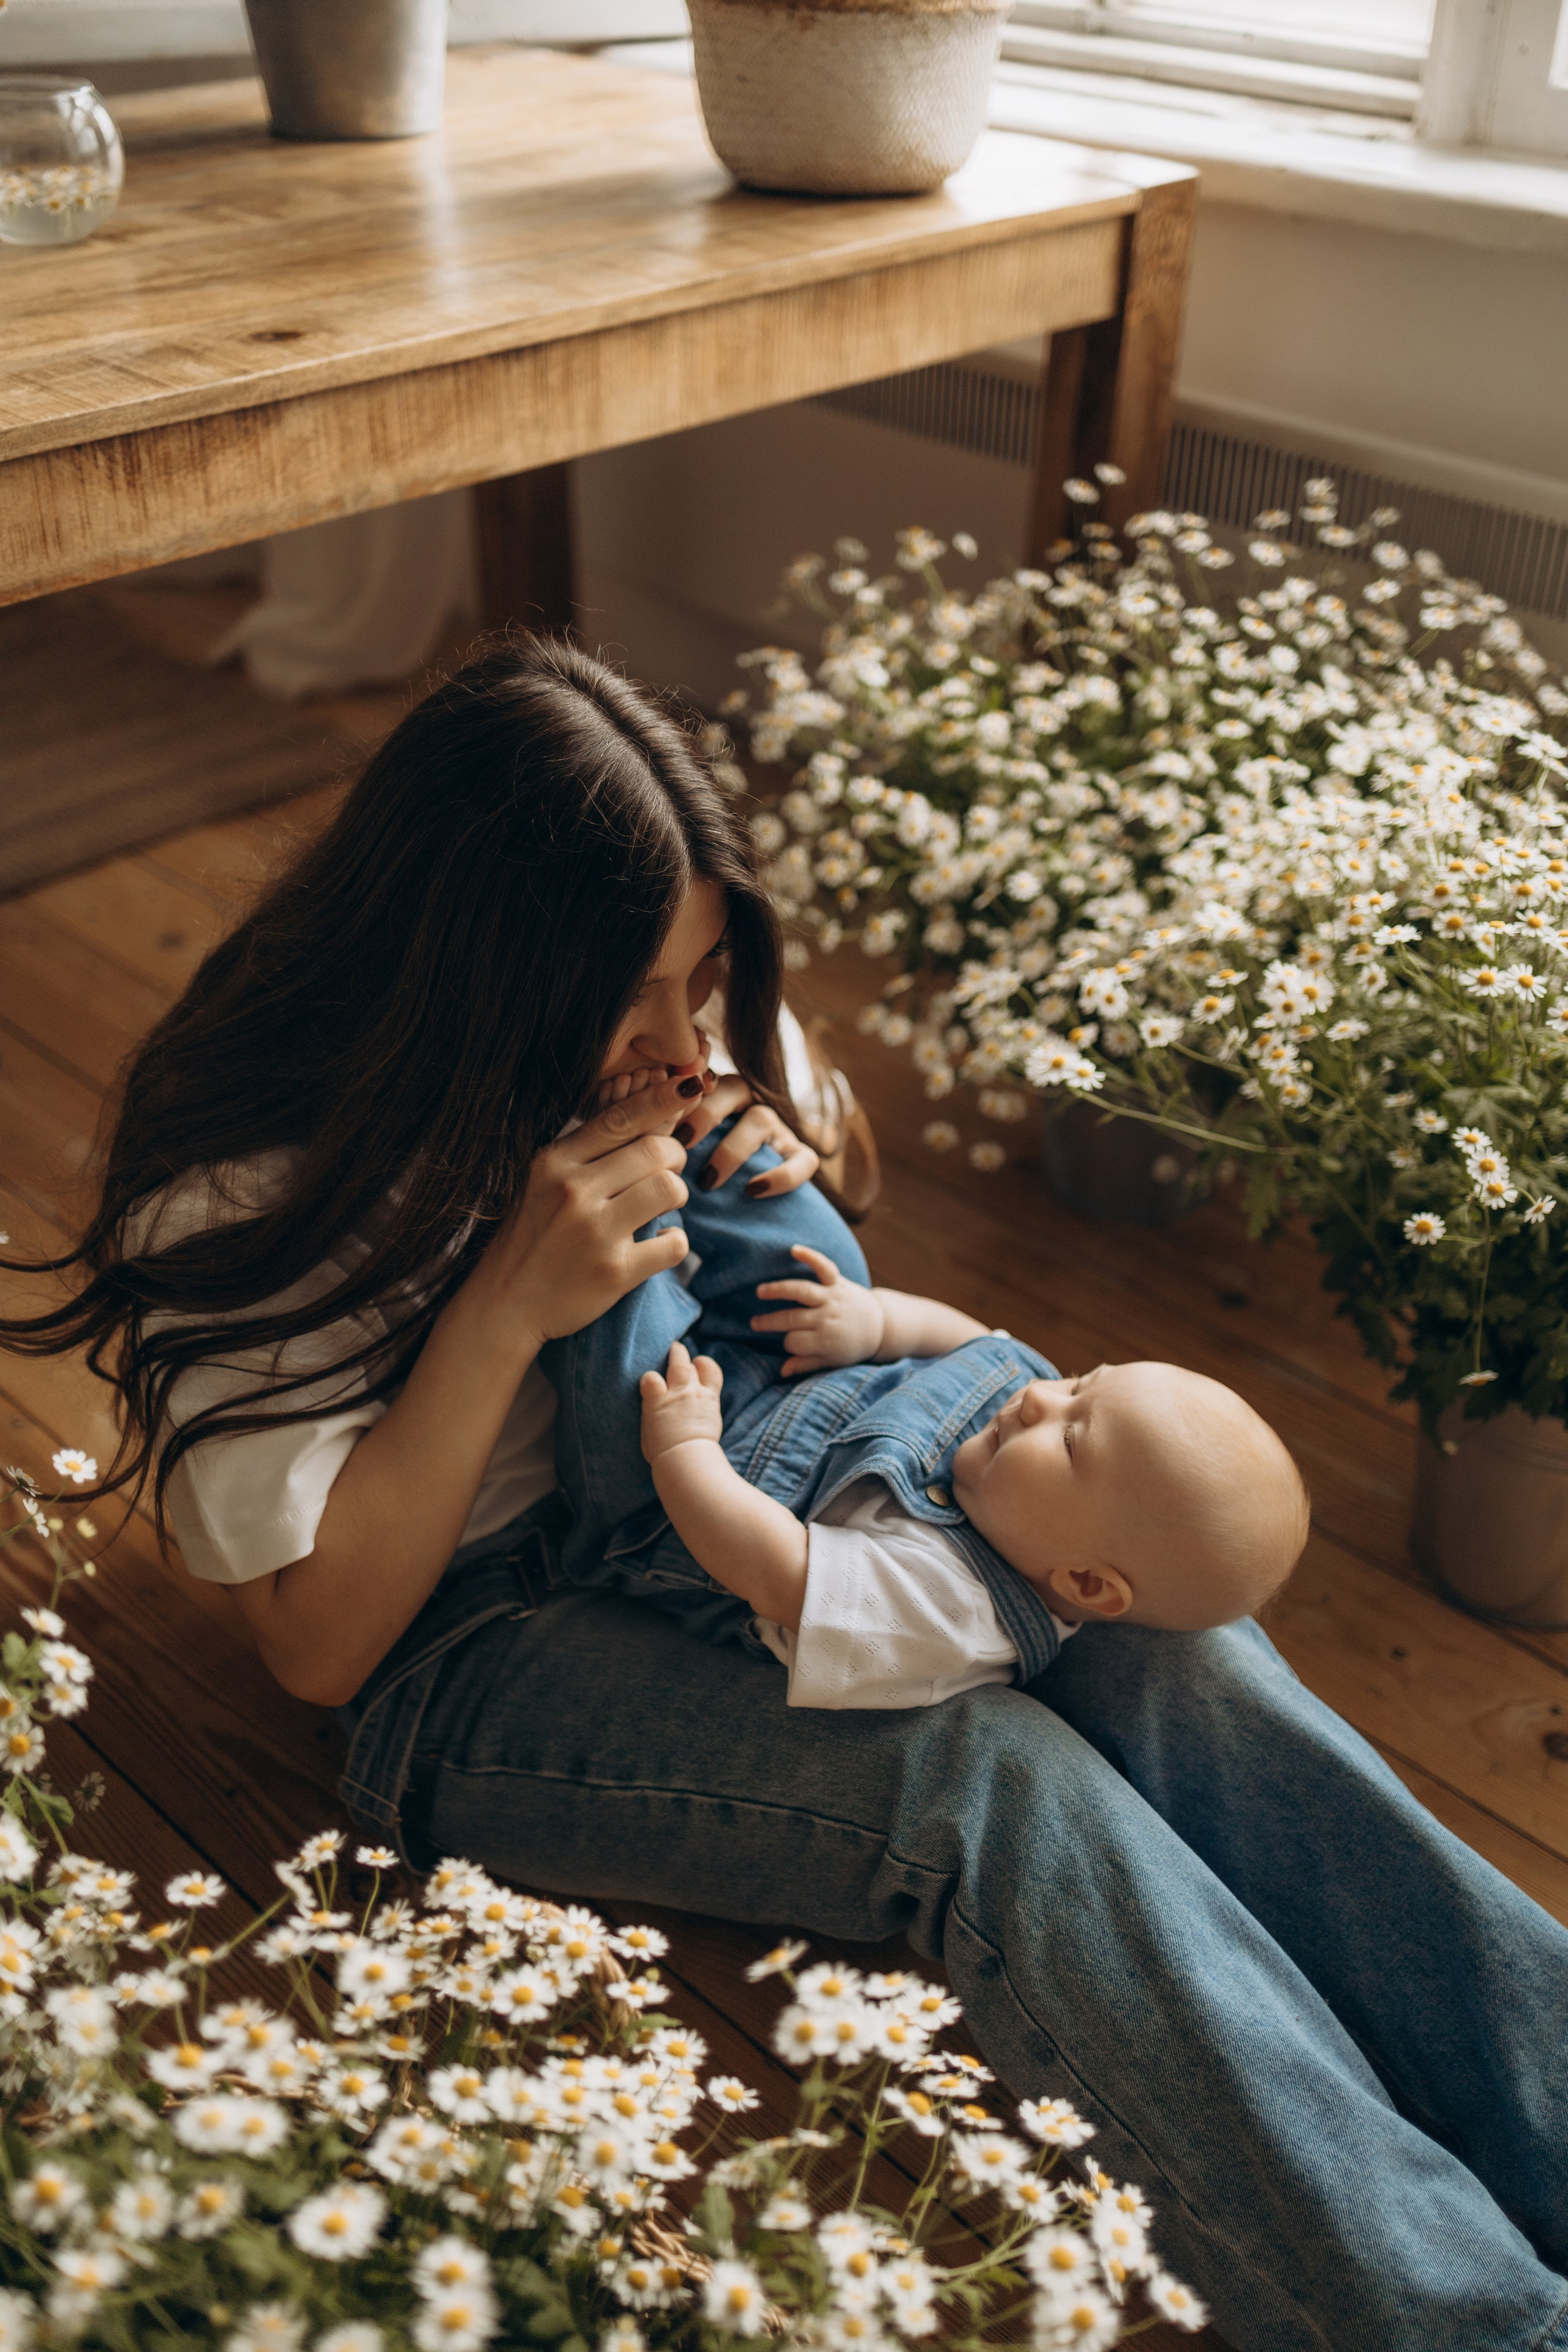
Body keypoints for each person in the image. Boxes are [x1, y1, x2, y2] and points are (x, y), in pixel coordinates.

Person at [4, 639, 1566, 2352]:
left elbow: (825, 1225)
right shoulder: (236, 1187)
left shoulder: (649, 1036)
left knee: (1171, 1643)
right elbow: (317, 1653)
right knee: (989, 1784)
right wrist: (506, 1309)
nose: (680, 1042)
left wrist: (786, 1156)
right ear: (469, 979)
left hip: (759, 1479)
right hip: (480, 1641)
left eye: (700, 986)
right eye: (637, 1002)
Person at [539, 1137, 1309, 1708]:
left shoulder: (950, 1613)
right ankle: (688, 1135)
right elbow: (974, 1345)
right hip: (798, 1366)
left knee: (616, 1312)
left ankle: (601, 1175)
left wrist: (685, 1451)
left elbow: (775, 1572)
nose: (1046, 1396)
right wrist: (874, 1323)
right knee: (817, 1248)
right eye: (1083, 1383)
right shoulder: (1032, 1418)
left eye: (1072, 1439)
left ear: (1081, 1580)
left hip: (678, 1499)